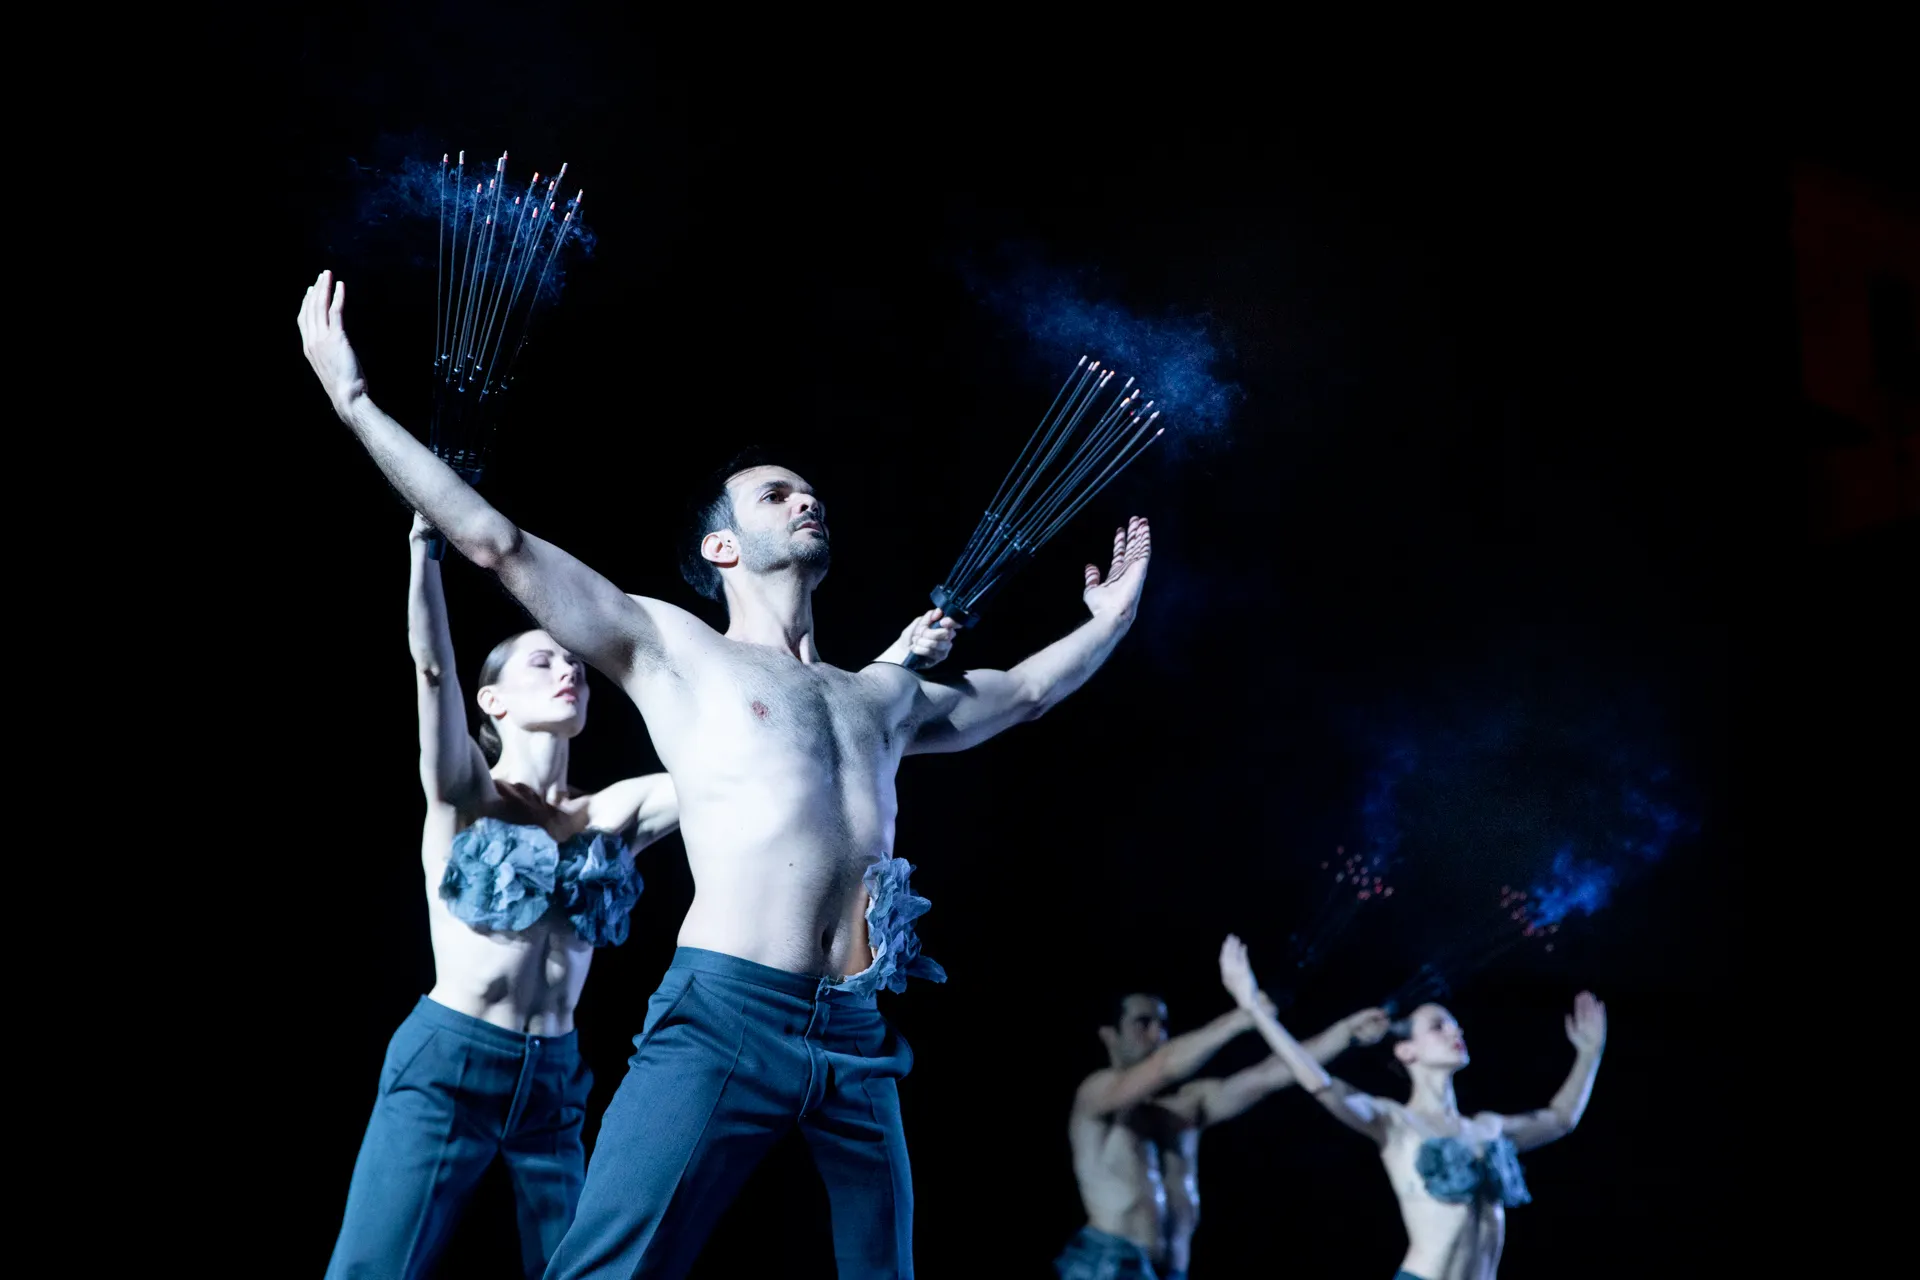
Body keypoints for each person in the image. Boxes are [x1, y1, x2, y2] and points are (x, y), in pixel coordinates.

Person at [297, 270, 1149, 1278]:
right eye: (775, 494)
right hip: (725, 1010)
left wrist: (1111, 619)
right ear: (722, 545)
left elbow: (1018, 693)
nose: (805, 500)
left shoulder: (878, 691)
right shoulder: (673, 646)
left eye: (808, 490)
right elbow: (497, 541)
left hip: (856, 1028)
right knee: (606, 1268)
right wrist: (354, 400)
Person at [326, 514, 682, 1280]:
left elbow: (737, 763)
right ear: (492, 702)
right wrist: (424, 554)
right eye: (543, 661)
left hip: (553, 1080)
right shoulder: (465, 796)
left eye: (576, 665)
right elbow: (432, 669)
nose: (570, 672)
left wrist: (884, 663)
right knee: (374, 1268)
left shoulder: (614, 813)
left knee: (590, 1272)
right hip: (451, 1061)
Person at [1216, 935, 1606, 1280]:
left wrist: (1589, 1054)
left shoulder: (1487, 1128)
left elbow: (1560, 1119)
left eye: (1456, 1027)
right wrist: (1253, 1007)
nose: (1456, 1032)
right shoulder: (1396, 1122)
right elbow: (1318, 1082)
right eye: (1439, 1026)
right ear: (1406, 1050)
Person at [1059, 990, 1388, 1279]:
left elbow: (1269, 1074)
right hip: (1108, 1262)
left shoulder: (1187, 1106)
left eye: (1162, 1024)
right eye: (1142, 1023)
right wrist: (1240, 1018)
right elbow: (1165, 1065)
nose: (1157, 1033)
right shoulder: (1096, 1094)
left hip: (1171, 1269)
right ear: (1109, 1035)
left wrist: (1346, 1033)